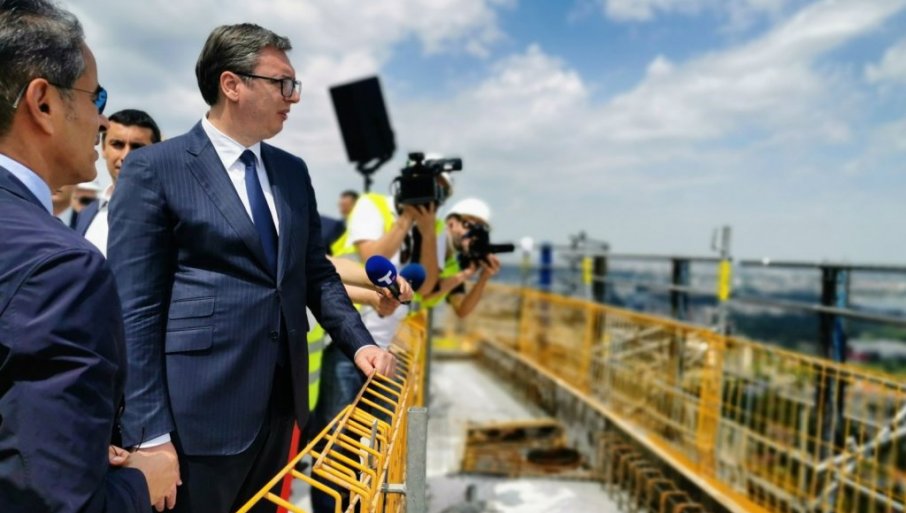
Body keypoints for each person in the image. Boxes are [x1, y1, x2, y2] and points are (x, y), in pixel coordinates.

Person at [107, 23, 395, 513]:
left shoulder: (291, 171)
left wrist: (360, 342)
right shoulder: (155, 168)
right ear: (232, 84)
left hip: (279, 414)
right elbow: (134, 309)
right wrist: (150, 434)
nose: (293, 97)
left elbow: (314, 272)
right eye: (282, 83)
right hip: (193, 424)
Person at [0, 1, 178, 511]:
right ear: (43, 103)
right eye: (96, 97)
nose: (100, 120)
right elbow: (62, 503)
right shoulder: (61, 266)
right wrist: (143, 480)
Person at [77, 108, 161, 254]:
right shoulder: (88, 213)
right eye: (117, 144)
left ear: (157, 153)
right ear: (103, 148)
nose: (125, 156)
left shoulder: (170, 214)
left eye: (137, 147)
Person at [421, 197, 501, 317]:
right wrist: (465, 274)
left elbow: (462, 310)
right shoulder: (428, 238)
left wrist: (484, 277)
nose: (474, 235)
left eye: (480, 230)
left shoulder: (454, 265)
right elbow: (425, 292)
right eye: (469, 226)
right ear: (451, 224)